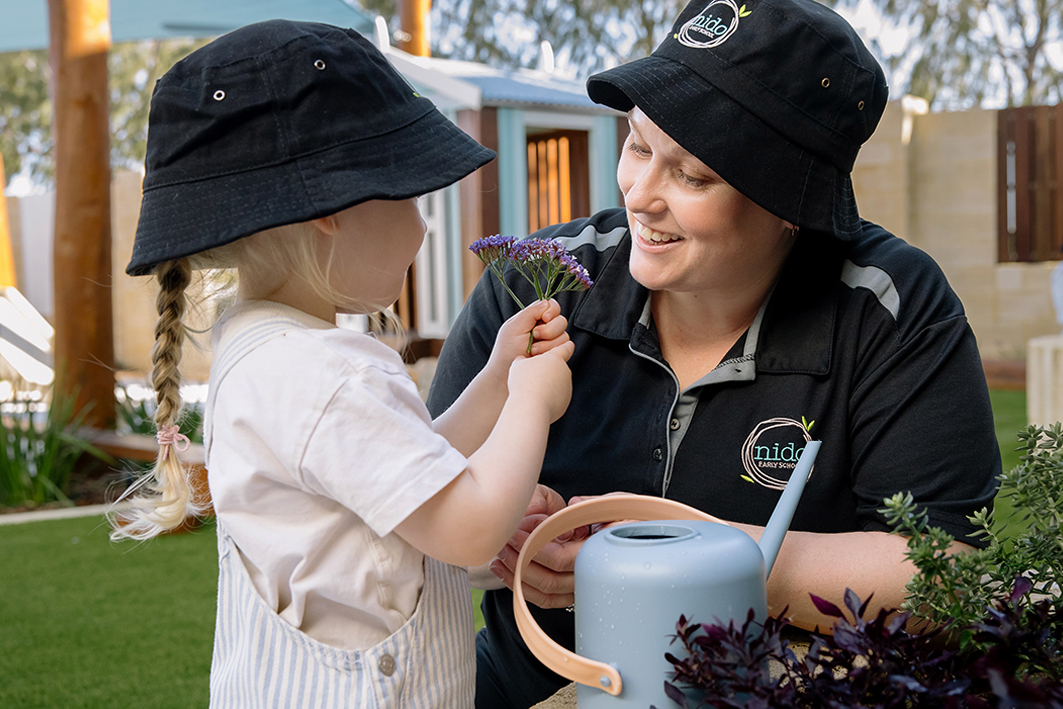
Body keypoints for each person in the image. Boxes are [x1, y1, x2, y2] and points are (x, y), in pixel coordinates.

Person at [426, 0, 1002, 706]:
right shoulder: (535, 280)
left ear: (795, 201)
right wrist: (498, 539)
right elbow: (410, 501)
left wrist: (671, 559)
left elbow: (946, 577)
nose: (639, 195)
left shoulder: (890, 308)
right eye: (637, 146)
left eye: (692, 176)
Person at [113, 20, 575, 708]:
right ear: (331, 209)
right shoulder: (327, 374)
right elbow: (468, 526)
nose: (423, 225)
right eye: (410, 198)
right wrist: (532, 403)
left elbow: (399, 474)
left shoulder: (259, 347)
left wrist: (496, 381)